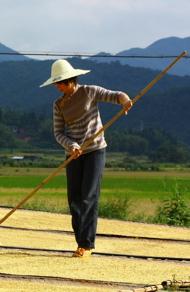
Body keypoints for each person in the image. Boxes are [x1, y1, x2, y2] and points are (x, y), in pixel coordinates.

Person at [40, 59, 133, 258]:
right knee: (74, 199)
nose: (58, 87)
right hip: (73, 153)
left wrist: (125, 101)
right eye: (56, 83)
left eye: (60, 83)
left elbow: (116, 95)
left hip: (95, 150)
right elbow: (59, 133)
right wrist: (72, 146)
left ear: (71, 80)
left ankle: (86, 245)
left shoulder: (90, 91)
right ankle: (80, 243)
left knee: (88, 196)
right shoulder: (58, 104)